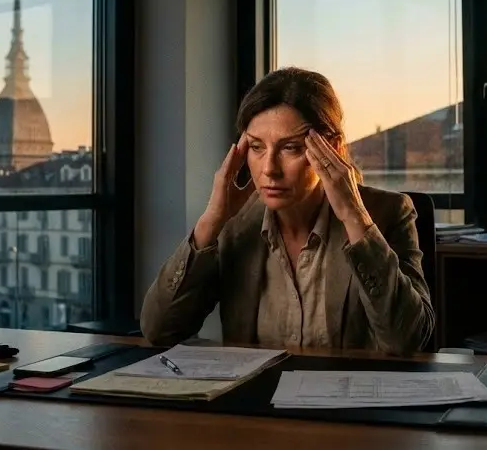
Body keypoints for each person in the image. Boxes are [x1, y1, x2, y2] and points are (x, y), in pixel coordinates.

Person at [140, 67, 435, 355]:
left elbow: (407, 341)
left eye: (290, 148)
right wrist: (211, 221)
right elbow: (159, 330)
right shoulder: (236, 224)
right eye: (256, 148)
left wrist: (354, 218)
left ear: (334, 148)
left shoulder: (387, 213)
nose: (269, 169)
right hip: (253, 401)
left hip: (345, 399)